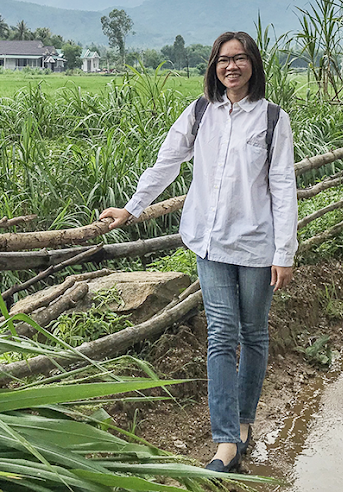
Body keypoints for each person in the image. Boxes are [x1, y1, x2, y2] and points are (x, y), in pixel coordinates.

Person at [100, 30, 298, 472]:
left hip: (255, 245)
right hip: (209, 243)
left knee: (255, 335)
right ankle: (226, 440)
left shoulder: (271, 119)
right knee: (222, 336)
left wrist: (285, 251)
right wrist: (131, 209)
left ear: (253, 65)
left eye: (241, 58)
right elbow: (166, 163)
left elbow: (283, 186)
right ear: (214, 66)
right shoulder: (200, 113)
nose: (232, 66)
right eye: (224, 59)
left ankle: (245, 420)